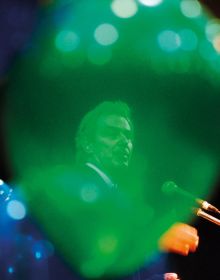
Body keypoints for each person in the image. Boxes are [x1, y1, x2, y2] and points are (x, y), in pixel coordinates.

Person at [0, 101, 199, 280]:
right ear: (87, 143)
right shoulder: (74, 183)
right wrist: (152, 234)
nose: (124, 142)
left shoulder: (119, 198)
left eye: (128, 136)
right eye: (112, 133)